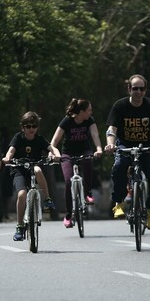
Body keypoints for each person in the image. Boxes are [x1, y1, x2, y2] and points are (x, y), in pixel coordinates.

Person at [104, 74, 150, 230]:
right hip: (124, 146)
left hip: (146, 146)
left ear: (145, 90)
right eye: (135, 88)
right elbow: (111, 129)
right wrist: (110, 145)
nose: (138, 92)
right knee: (119, 167)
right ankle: (118, 203)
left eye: (141, 89)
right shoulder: (120, 106)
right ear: (129, 89)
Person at [2, 111, 61, 241]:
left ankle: (47, 199)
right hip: (19, 170)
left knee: (38, 170)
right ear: (23, 127)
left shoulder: (39, 139)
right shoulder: (18, 138)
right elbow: (11, 150)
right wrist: (7, 158)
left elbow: (52, 148)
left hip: (33, 167)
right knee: (22, 194)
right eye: (28, 126)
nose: (31, 129)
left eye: (34, 126)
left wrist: (57, 155)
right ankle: (19, 226)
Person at [50, 98, 103, 228]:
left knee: (88, 161)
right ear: (81, 112)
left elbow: (95, 135)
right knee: (68, 181)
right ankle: (68, 215)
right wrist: (52, 152)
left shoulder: (90, 120)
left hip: (84, 150)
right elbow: (55, 140)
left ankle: (88, 193)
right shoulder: (67, 121)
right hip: (68, 153)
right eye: (89, 110)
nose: (91, 112)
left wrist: (99, 149)